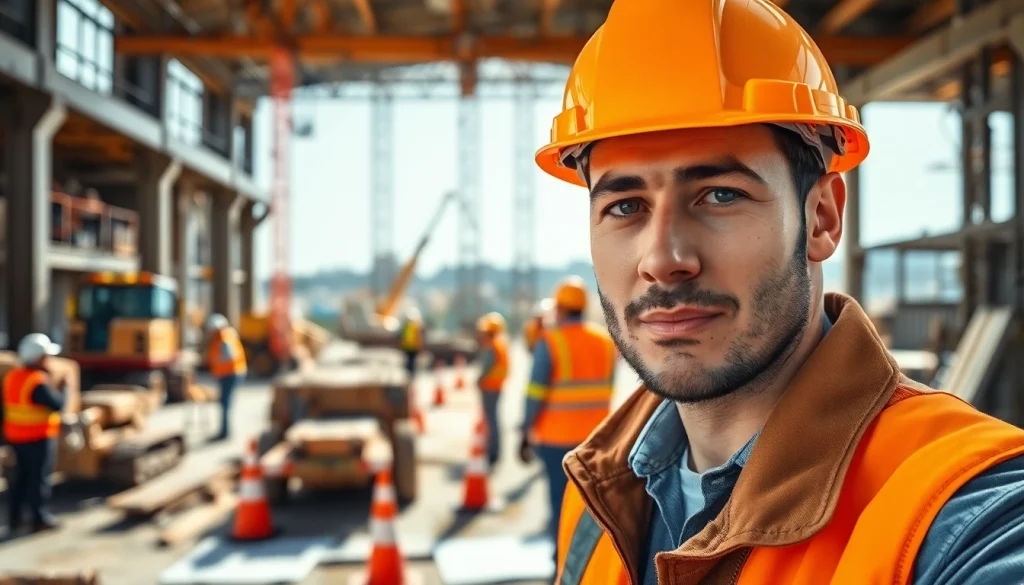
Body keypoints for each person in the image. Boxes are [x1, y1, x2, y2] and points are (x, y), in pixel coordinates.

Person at [533, 2, 1024, 584]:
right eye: (625, 206)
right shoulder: (598, 492)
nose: (664, 260)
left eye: (719, 195)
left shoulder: (964, 510)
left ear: (821, 219)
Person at [520, 276, 616, 548]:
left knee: (560, 505)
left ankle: (561, 566)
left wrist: (526, 431)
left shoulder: (550, 341)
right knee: (592, 509)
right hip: (597, 438)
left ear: (560, 309)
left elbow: (535, 394)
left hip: (556, 440)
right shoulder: (604, 341)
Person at [2, 333, 65, 533]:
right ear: (39, 358)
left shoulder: (13, 377)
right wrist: (64, 390)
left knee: (20, 478)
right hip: (37, 438)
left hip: (15, 437)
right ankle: (39, 518)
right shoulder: (36, 382)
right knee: (38, 480)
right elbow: (56, 405)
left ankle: (15, 518)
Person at [205, 313, 247, 441]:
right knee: (225, 403)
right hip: (232, 372)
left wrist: (215, 361)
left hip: (230, 373)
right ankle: (225, 431)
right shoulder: (225, 335)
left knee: (225, 403)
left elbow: (228, 356)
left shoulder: (224, 337)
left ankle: (224, 433)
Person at [476, 311, 509, 467]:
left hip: (490, 387)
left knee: (492, 420)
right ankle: (494, 450)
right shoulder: (501, 343)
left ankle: (493, 452)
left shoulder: (492, 346)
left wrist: (478, 380)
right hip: (497, 386)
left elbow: (486, 368)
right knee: (494, 418)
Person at [398, 308, 424, 377]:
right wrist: (419, 346)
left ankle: (409, 374)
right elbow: (418, 337)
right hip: (413, 346)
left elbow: (403, 336)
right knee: (411, 362)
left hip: (407, 346)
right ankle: (411, 374)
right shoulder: (415, 326)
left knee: (409, 361)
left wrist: (402, 344)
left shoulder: (406, 326)